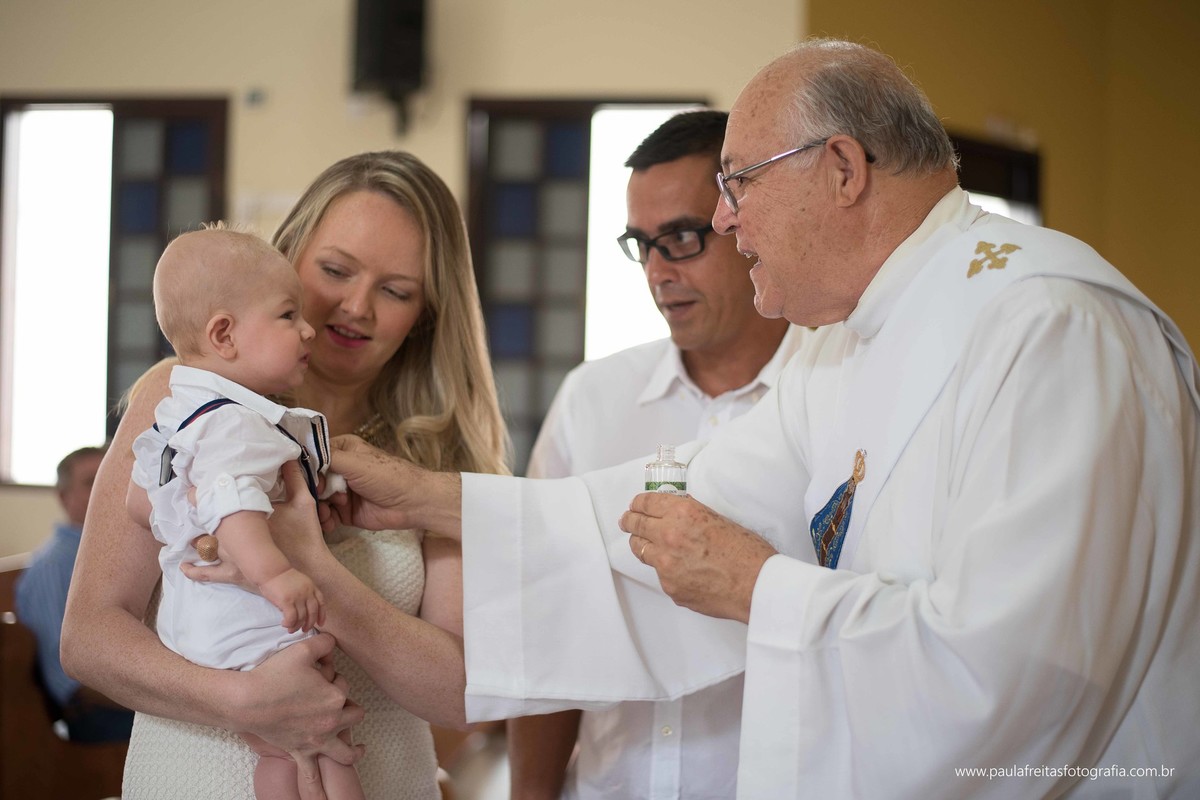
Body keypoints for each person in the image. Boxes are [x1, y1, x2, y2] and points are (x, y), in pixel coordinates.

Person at [320, 39, 1200, 799]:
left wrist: (760, 590)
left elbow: (1019, 681)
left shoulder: (1051, 328)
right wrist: (433, 500)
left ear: (844, 170)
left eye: (738, 184)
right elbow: (693, 498)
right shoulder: (844, 341)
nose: (727, 218)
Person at [61, 150, 509, 800]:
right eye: (334, 270)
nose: (355, 306)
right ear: (288, 259)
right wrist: (243, 700)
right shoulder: (187, 397)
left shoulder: (442, 454)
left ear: (427, 313)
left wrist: (313, 571)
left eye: (395, 291)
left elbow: (463, 695)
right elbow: (90, 636)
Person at [507, 110, 804, 800]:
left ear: (744, 223)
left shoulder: (831, 393)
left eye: (681, 238)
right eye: (642, 245)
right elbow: (547, 622)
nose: (658, 272)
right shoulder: (594, 400)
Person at [127, 226, 362, 800]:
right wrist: (276, 574)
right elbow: (232, 502)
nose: (308, 328)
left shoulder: (181, 412)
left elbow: (140, 503)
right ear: (225, 335)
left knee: (281, 747)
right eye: (287, 316)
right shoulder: (235, 419)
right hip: (248, 621)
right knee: (332, 748)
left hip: (198, 627)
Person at [15, 444, 135, 743]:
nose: (108, 489)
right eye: (91, 481)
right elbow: (69, 680)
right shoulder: (54, 565)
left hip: (132, 691)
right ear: (62, 496)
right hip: (96, 712)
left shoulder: (115, 553)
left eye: (113, 477)